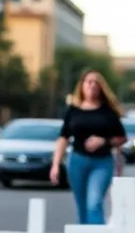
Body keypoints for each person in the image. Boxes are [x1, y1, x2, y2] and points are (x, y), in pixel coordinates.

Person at [51, 70, 126, 224]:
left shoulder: (108, 112)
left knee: (94, 202)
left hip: (101, 162)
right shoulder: (73, 110)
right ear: (82, 86)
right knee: (82, 206)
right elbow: (63, 137)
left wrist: (103, 141)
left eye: (96, 82)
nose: (92, 85)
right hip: (77, 161)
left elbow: (121, 138)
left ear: (101, 88)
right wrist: (56, 165)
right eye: (88, 82)